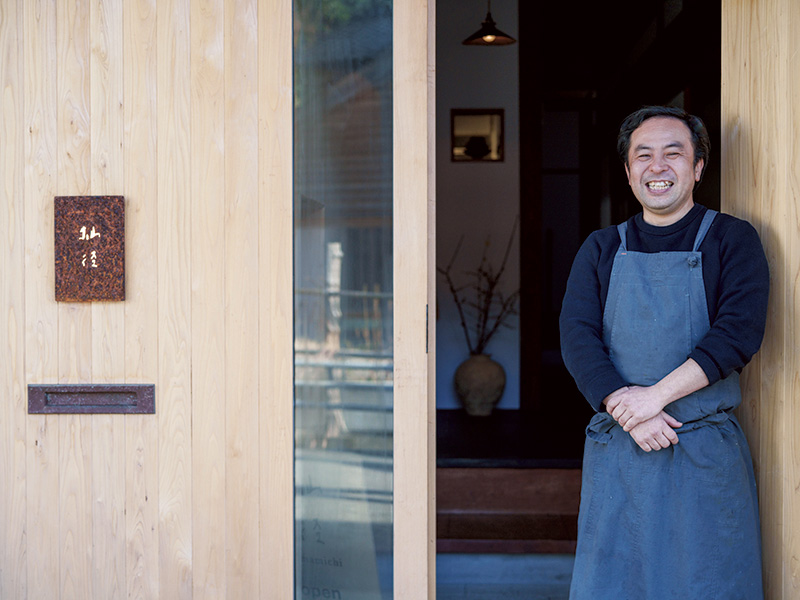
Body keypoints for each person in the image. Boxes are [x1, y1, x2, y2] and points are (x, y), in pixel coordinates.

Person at [560, 106, 769, 599]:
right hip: (622, 451)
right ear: (629, 172)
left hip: (702, 454)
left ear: (698, 168)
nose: (658, 167)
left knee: (708, 584)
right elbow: (577, 336)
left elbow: (737, 333)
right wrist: (625, 407)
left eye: (673, 153)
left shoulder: (732, 240)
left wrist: (653, 398)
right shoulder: (601, 247)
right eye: (643, 155)